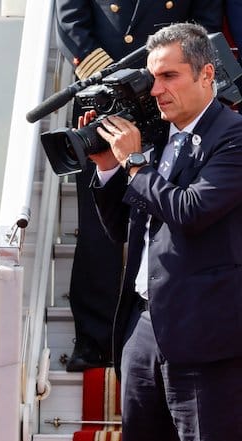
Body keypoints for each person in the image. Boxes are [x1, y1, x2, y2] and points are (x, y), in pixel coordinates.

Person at [79, 22, 242, 441]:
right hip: (145, 329)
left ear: (207, 74)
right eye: (154, 76)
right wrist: (106, 172)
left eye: (171, 75)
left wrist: (137, 162)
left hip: (208, 335)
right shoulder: (162, 142)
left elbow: (195, 210)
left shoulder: (232, 137)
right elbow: (127, 221)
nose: (158, 87)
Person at [54, 0, 221, 371]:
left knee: (172, 216)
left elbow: (206, 22)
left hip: (169, 97)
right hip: (110, 87)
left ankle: (162, 327)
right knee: (101, 225)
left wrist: (163, 81)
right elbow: (70, 19)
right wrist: (114, 75)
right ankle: (96, 338)